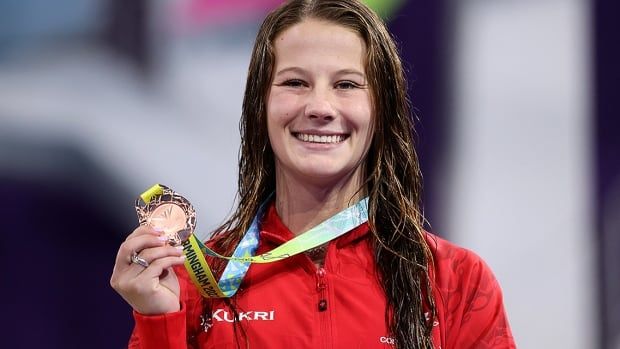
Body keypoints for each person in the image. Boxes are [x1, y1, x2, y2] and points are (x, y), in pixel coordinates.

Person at [110, 0, 516, 348]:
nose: (320, 106)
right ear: (260, 107)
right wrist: (159, 322)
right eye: (295, 82)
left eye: (346, 85)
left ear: (381, 109)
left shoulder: (456, 281)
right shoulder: (196, 286)